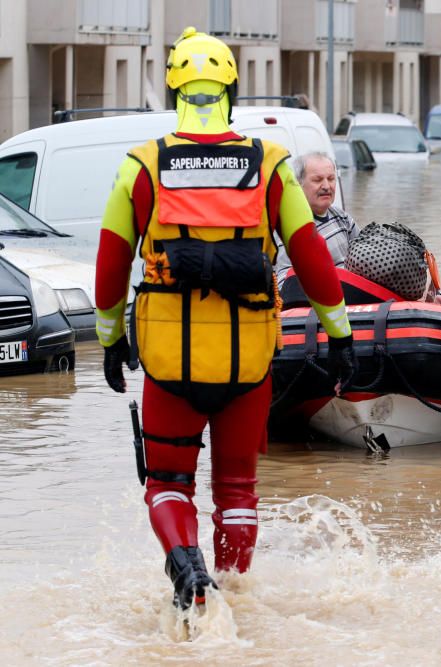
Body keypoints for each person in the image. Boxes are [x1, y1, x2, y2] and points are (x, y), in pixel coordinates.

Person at [94, 27, 357, 610]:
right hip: (247, 360)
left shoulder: (140, 167)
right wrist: (340, 335)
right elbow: (311, 255)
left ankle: (186, 569)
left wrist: (110, 338)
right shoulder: (269, 165)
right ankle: (235, 597)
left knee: (167, 484)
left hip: (169, 359)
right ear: (231, 90)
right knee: (238, 489)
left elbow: (111, 262)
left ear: (174, 93)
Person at [274, 152, 359, 287]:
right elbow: (284, 284)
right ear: (298, 184)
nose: (326, 186)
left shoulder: (342, 217)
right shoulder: (291, 228)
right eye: (317, 180)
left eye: (331, 179)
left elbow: (363, 261)